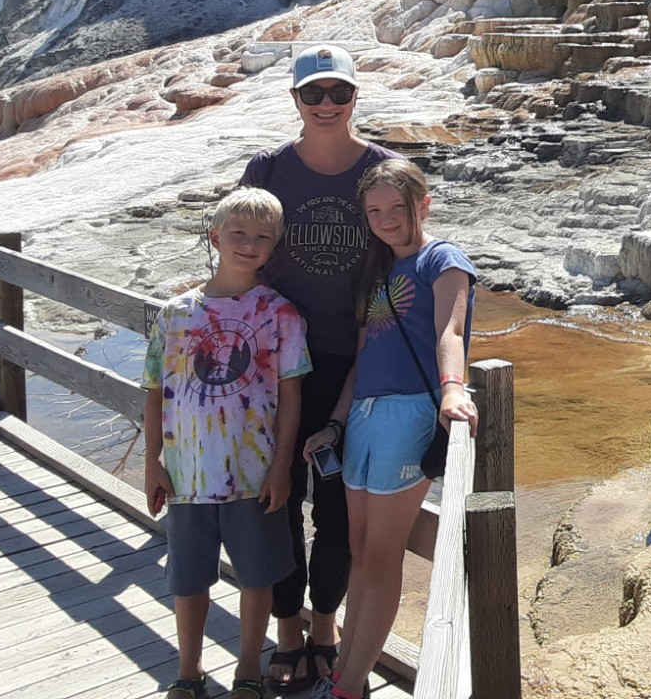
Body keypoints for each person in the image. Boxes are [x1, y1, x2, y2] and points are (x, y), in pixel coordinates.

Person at [239, 44, 400, 690]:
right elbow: (240, 241)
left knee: (335, 506)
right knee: (274, 500)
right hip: (273, 364)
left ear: (356, 97)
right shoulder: (269, 167)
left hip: (347, 359)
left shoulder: (384, 167)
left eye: (339, 93)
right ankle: (286, 630)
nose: (327, 105)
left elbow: (408, 251)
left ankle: (325, 625)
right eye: (314, 94)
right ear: (296, 101)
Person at [303, 158, 477, 699]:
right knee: (358, 549)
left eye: (395, 208)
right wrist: (334, 423)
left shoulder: (442, 259)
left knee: (382, 555)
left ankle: (348, 686)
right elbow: (363, 357)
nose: (384, 219)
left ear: (421, 205)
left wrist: (453, 387)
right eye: (374, 210)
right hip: (363, 417)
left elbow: (452, 329)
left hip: (408, 413)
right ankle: (342, 676)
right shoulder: (379, 271)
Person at [142, 187, 311, 699]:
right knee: (188, 582)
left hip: (253, 475)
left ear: (274, 245)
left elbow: (292, 400)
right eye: (238, 233)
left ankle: (248, 673)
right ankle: (188, 674)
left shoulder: (282, 315)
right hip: (189, 476)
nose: (249, 244)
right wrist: (153, 463)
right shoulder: (174, 315)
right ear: (215, 236)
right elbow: (154, 392)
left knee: (256, 578)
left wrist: (282, 467)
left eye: (262, 237)